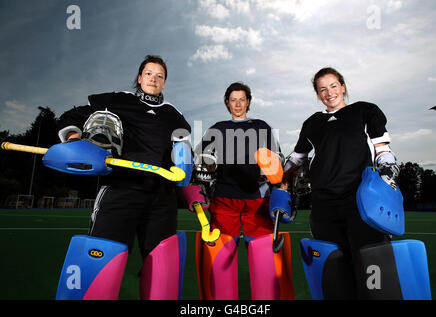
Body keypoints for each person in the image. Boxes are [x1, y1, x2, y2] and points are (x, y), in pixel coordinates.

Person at [56, 55, 191, 259]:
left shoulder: (175, 114)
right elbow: (73, 115)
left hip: (163, 198)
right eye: (148, 73)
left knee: (163, 268)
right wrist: (73, 138)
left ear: (164, 82)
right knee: (102, 260)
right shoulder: (118, 99)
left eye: (159, 76)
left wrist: (190, 184)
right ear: (139, 78)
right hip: (121, 190)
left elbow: (183, 154)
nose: (153, 79)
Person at [283, 67, 400, 298]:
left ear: (343, 87)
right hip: (324, 205)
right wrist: (275, 173)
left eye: (333, 86)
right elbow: (296, 159)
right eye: (322, 89)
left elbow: (382, 150)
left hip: (361, 201)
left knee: (371, 270)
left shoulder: (365, 110)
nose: (329, 93)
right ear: (318, 95)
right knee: (335, 271)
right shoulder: (312, 123)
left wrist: (388, 167)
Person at [194, 82, 280, 244]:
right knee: (221, 251)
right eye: (233, 100)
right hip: (224, 198)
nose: (238, 104)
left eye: (242, 99)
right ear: (227, 102)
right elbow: (201, 156)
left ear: (248, 101)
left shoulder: (261, 126)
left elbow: (276, 157)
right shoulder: (217, 128)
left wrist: (279, 187)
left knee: (262, 252)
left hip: (257, 197)